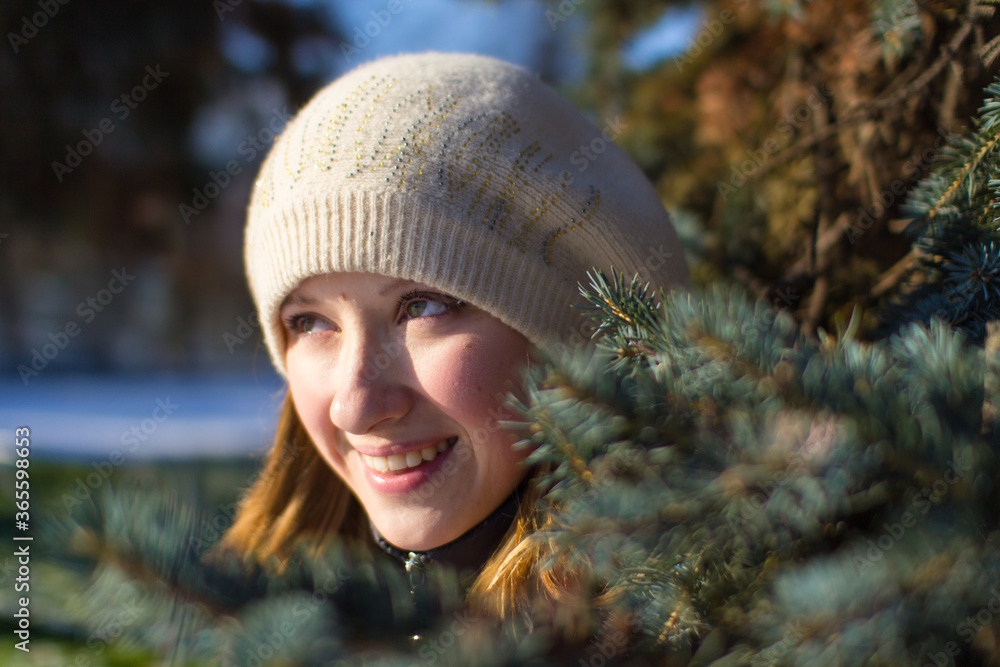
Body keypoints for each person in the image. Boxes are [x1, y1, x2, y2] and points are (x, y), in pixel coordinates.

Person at [221, 51, 690, 633]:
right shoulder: (262, 621)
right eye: (311, 323)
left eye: (424, 308)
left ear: (578, 339)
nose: (356, 404)